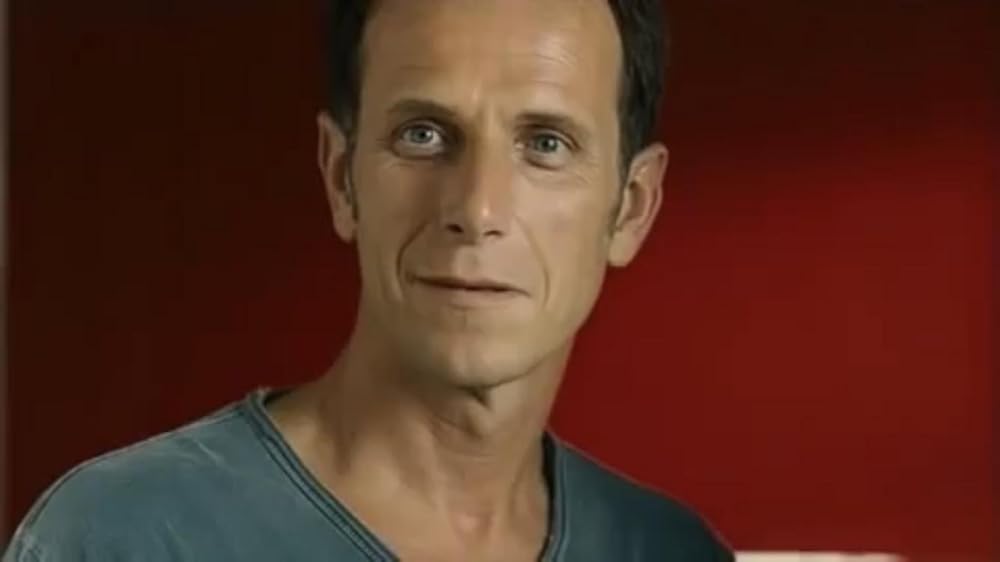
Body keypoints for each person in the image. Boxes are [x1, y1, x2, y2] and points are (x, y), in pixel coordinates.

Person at [4, 0, 733, 560]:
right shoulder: (122, 537)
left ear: (631, 207)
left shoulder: (669, 551)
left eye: (546, 143)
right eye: (423, 134)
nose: (476, 209)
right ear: (341, 178)